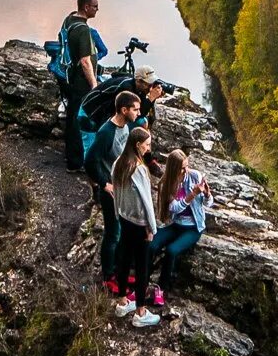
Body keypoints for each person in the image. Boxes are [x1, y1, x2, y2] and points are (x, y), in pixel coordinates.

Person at [83, 88, 141, 288]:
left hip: (123, 187)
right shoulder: (107, 132)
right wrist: (104, 184)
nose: (138, 113)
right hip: (111, 191)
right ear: (123, 110)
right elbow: (90, 161)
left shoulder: (125, 126)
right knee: (113, 233)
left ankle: (118, 270)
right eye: (135, 109)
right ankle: (108, 277)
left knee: (123, 231)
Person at [109, 125, 160, 328]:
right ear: (138, 145)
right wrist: (152, 228)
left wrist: (117, 213)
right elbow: (146, 202)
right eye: (147, 145)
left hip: (124, 219)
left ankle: (122, 302)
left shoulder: (118, 164)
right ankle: (140, 312)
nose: (149, 148)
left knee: (124, 259)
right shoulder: (138, 169)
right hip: (139, 224)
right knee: (142, 267)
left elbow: (116, 193)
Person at [147, 148, 211, 306]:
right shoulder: (167, 183)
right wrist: (191, 195)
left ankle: (161, 289)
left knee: (172, 250)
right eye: (182, 167)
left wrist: (207, 195)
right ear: (174, 168)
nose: (186, 170)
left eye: (187, 166)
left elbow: (208, 204)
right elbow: (174, 208)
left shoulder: (195, 176)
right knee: (152, 244)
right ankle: (142, 282)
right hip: (176, 225)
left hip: (193, 228)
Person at [59, 0, 100, 171]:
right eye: (95, 6)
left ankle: (72, 157)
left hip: (69, 77)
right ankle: (76, 162)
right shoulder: (83, 30)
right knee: (78, 120)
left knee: (72, 117)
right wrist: (94, 84)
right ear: (86, 7)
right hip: (81, 82)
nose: (97, 9)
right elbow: (85, 61)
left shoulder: (69, 19)